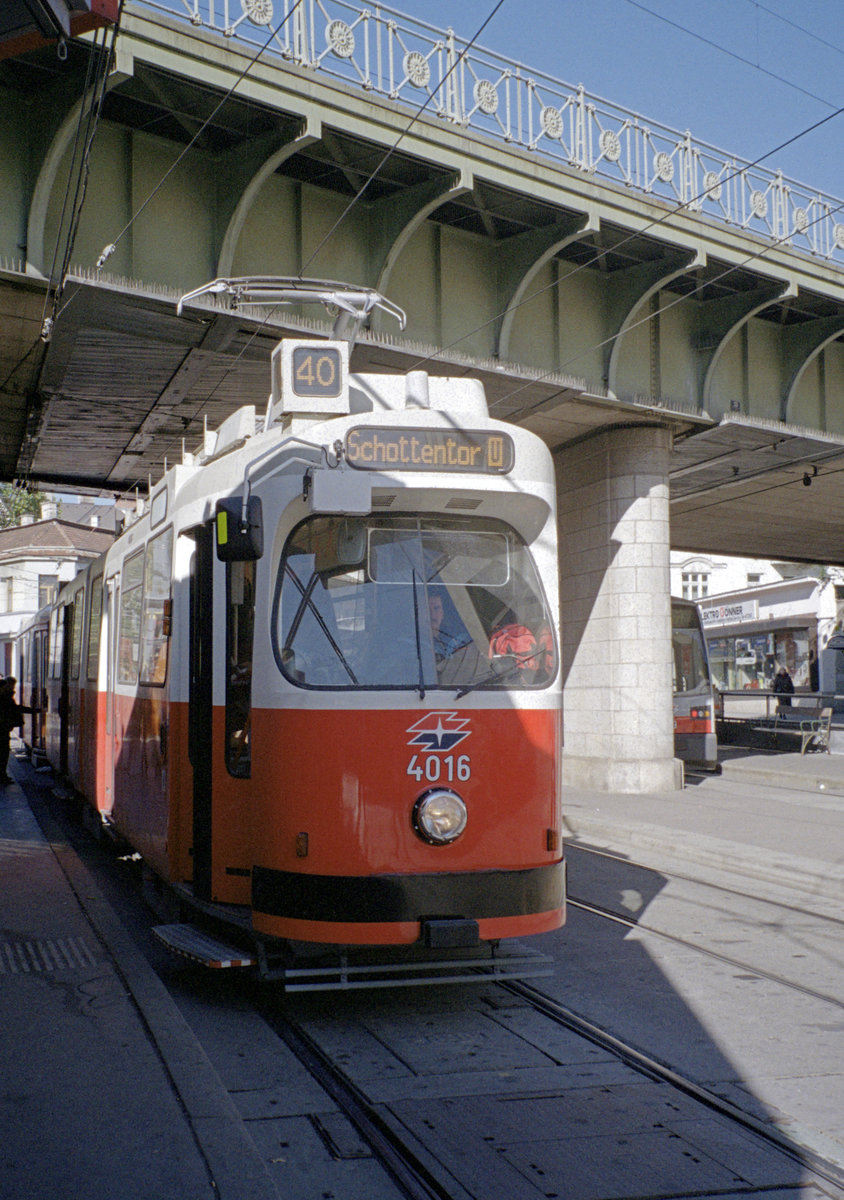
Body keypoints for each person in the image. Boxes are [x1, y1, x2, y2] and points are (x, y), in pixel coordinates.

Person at [0, 676, 23, 786]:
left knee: (3, 753)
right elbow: (15, 709)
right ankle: (2, 776)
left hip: (4, 729)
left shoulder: (5, 697)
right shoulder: (5, 698)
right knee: (3, 754)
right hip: (3, 730)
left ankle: (3, 776)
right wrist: (35, 711)